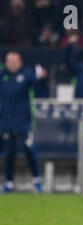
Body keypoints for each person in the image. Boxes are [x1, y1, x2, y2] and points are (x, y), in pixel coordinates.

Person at [0, 52, 46, 193]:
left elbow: (40, 88)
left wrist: (43, 79)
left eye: (15, 61)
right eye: (10, 61)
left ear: (20, 62)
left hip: (24, 121)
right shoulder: (2, 76)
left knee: (29, 149)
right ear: (6, 62)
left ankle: (37, 180)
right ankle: (8, 183)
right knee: (9, 153)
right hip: (6, 120)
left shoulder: (27, 74)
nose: (12, 63)